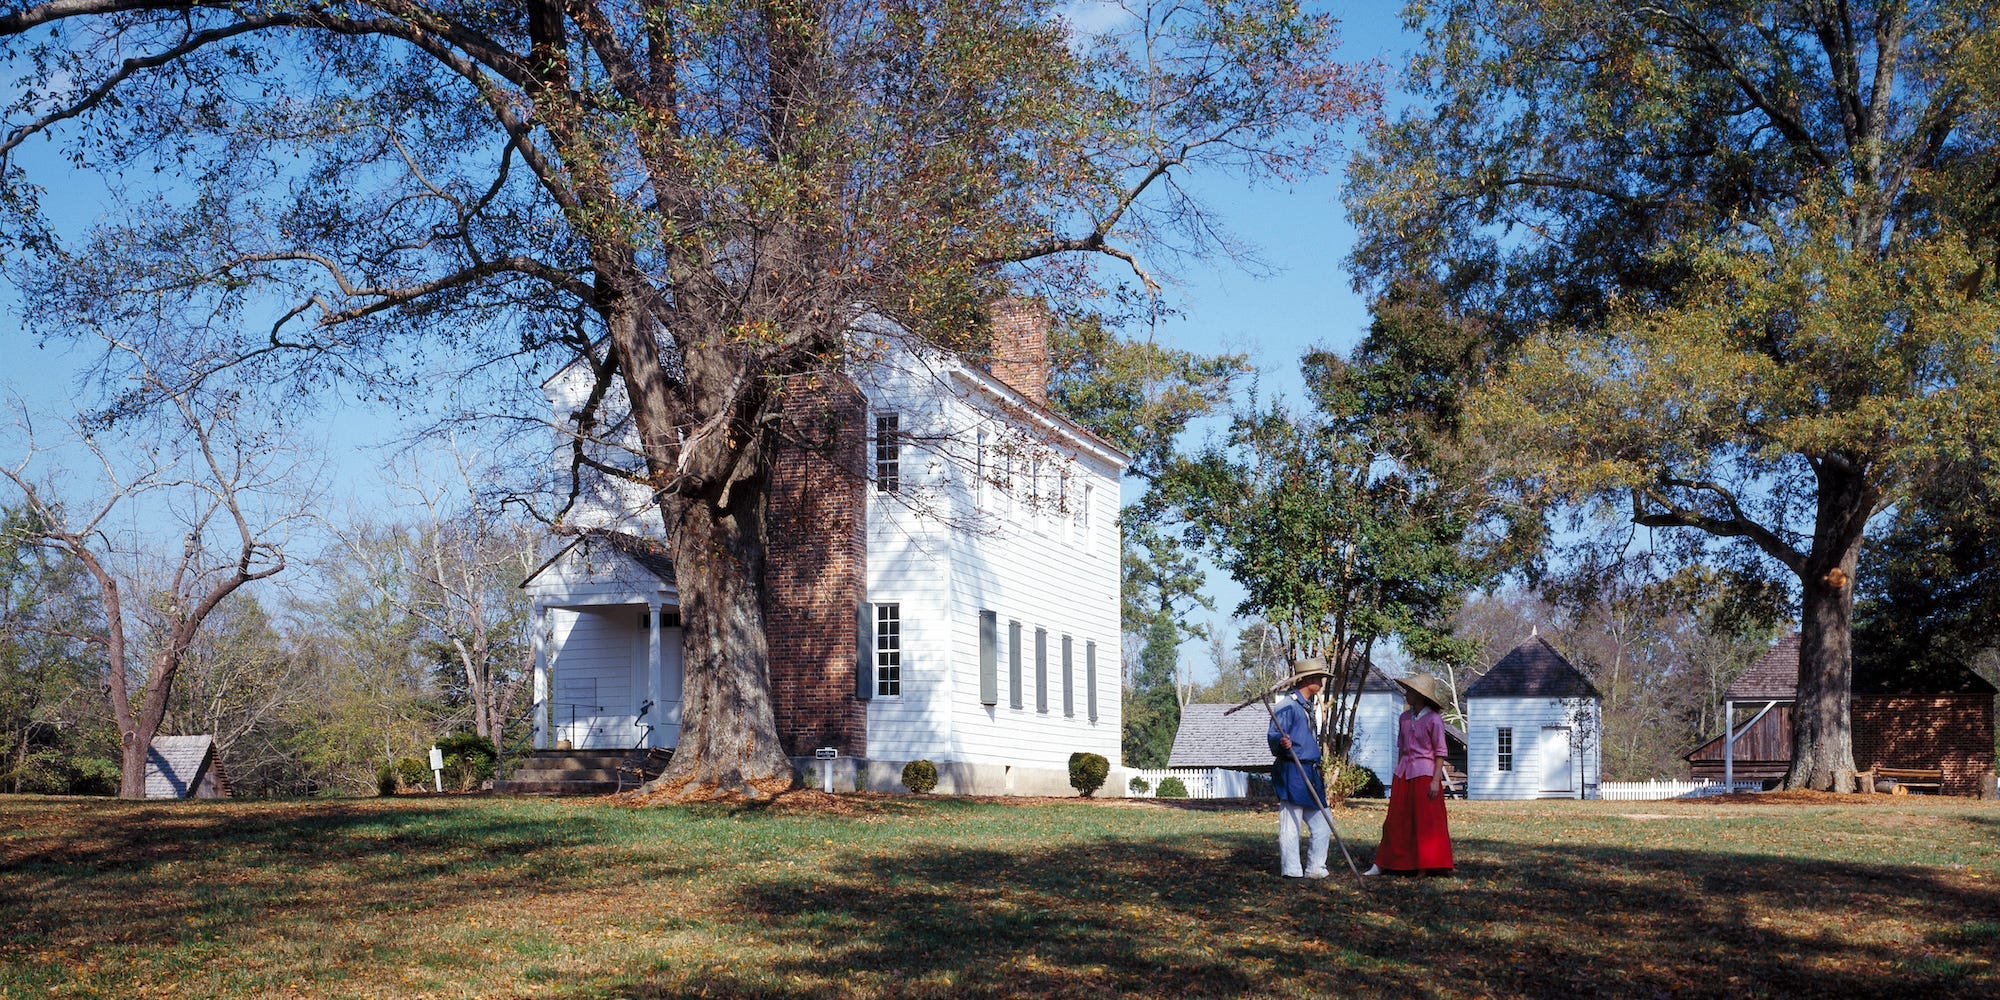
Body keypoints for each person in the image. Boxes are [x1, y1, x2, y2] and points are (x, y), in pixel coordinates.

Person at [1365, 673, 1454, 876]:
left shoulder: (1434, 720)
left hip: (1424, 775)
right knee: (1396, 820)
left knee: (1425, 822)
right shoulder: (1404, 718)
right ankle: (1385, 862)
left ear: (1420, 695)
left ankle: (1425, 865)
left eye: (1410, 691)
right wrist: (1397, 775)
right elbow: (1401, 749)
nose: (1406, 694)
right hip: (1403, 774)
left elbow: (1440, 752)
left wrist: (1435, 781)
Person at [1267, 661, 1332, 879]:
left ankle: (1315, 868)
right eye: (1317, 678)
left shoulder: (1307, 706)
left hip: (1311, 772)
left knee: (1323, 823)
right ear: (1306, 680)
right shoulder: (1287, 705)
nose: (1321, 682)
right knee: (1291, 823)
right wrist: (1281, 742)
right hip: (1292, 770)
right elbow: (1274, 735)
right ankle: (1292, 870)